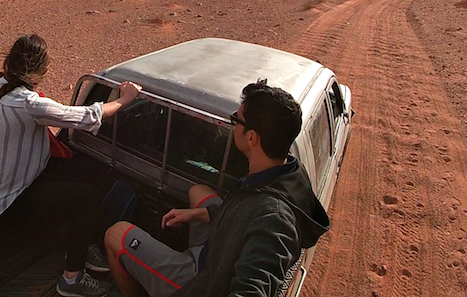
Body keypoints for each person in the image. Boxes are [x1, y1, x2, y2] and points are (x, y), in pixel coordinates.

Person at [104, 79, 330, 297]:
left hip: (202, 283)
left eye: (236, 120)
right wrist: (201, 213)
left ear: (251, 137)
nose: (232, 126)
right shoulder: (287, 170)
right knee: (198, 191)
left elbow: (254, 285)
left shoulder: (274, 221)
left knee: (116, 234)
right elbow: (244, 211)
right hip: (218, 253)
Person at [0, 34, 142, 297]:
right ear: (42, 68)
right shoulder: (28, 103)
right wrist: (124, 100)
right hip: (8, 202)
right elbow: (85, 116)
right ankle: (71, 279)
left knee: (87, 172)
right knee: (88, 198)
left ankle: (82, 241)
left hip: (5, 184)